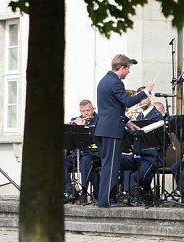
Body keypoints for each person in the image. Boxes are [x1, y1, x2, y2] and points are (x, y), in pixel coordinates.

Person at [94, 55, 153, 208]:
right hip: (111, 130)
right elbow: (127, 101)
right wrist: (146, 92)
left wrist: (128, 122)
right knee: (111, 165)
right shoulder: (115, 82)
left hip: (105, 128)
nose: (128, 73)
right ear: (122, 68)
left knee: (110, 164)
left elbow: (112, 108)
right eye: (127, 69)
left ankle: (108, 197)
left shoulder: (105, 80)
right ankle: (106, 200)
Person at [63, 99, 98, 201]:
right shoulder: (75, 120)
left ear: (93, 109)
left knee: (86, 162)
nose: (86, 113)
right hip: (77, 153)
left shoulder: (99, 120)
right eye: (83, 111)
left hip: (93, 153)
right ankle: (70, 190)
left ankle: (84, 192)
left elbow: (96, 138)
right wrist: (75, 126)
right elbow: (69, 138)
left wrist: (82, 127)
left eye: (88, 110)